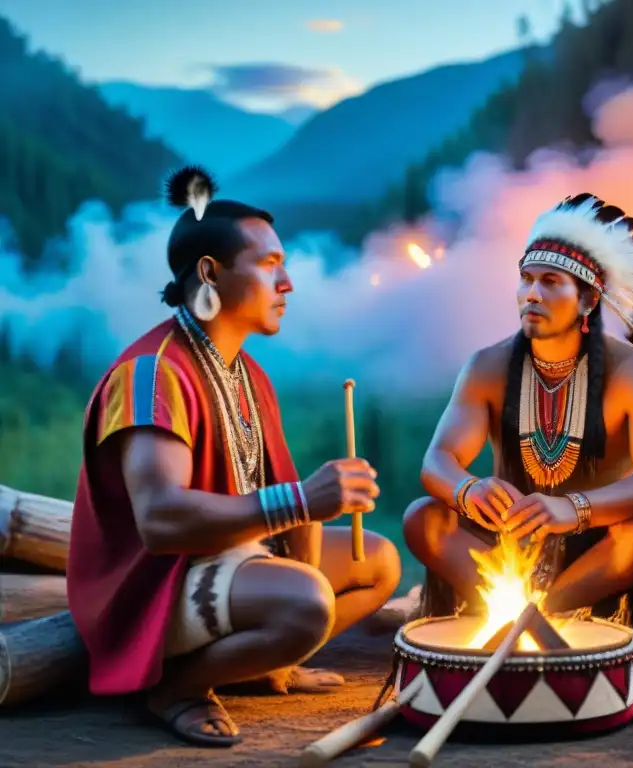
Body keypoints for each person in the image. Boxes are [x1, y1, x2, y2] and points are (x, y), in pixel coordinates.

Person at [66, 165, 402, 748]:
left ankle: (264, 661)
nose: (288, 283)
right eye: (271, 265)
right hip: (155, 587)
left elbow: (284, 510)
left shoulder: (247, 374)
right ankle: (178, 686)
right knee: (304, 604)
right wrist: (301, 501)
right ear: (209, 274)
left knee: (377, 563)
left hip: (233, 562)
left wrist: (320, 506)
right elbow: (161, 521)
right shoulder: (151, 375)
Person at [403, 193, 633, 642]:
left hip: (591, 547)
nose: (531, 293)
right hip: (502, 541)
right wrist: (468, 489)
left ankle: (537, 616)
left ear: (588, 299)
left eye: (551, 281)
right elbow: (437, 460)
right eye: (526, 279)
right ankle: (512, 614)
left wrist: (571, 510)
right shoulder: (487, 367)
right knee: (424, 517)